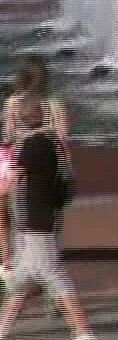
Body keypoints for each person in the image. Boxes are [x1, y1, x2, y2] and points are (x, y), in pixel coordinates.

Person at [0, 130, 94, 340]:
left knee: (54, 276)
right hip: (30, 225)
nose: (10, 126)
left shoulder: (35, 144)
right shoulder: (47, 143)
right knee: (21, 282)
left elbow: (7, 184)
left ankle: (84, 332)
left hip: (35, 225)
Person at [0, 57, 71, 316]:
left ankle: (17, 292)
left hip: (21, 171)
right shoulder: (55, 103)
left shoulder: (13, 103)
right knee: (50, 232)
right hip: (52, 173)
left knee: (23, 230)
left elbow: (8, 137)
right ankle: (53, 297)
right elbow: (63, 138)